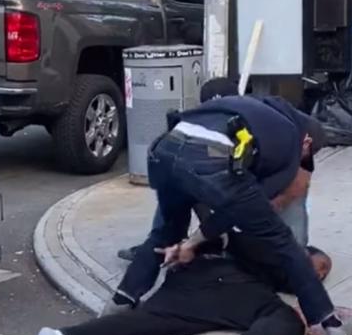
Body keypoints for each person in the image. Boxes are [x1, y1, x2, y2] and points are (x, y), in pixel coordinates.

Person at [107, 89, 352, 335]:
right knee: (284, 243)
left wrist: (192, 242)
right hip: (210, 159)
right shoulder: (289, 142)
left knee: (165, 232)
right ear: (307, 141)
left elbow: (234, 201)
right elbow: (242, 208)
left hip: (164, 151)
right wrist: (203, 238)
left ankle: (121, 301)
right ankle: (332, 326)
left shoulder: (253, 109)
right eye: (308, 155)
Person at [38, 236, 332, 335]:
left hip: (221, 292)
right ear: (302, 252)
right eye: (319, 265)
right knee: (289, 320)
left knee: (145, 325)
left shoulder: (284, 275)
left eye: (323, 274)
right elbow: (227, 237)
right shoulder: (277, 247)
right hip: (220, 277)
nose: (318, 274)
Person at [118, 77, 314, 261]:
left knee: (289, 203)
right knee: (175, 184)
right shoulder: (200, 128)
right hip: (229, 186)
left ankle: (293, 255)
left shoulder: (275, 122)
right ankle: (158, 246)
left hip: (265, 187)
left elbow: (299, 181)